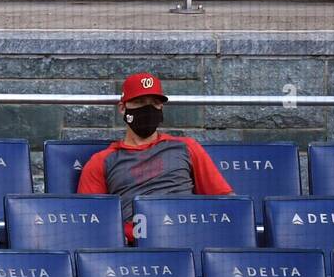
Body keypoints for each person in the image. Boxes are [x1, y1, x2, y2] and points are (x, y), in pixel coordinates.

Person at [76, 72, 233, 243]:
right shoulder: (101, 162)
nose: (148, 109)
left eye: (155, 103)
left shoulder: (186, 147)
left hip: (189, 238)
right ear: (122, 108)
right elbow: (91, 225)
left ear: (161, 108)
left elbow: (226, 201)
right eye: (140, 102)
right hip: (137, 248)